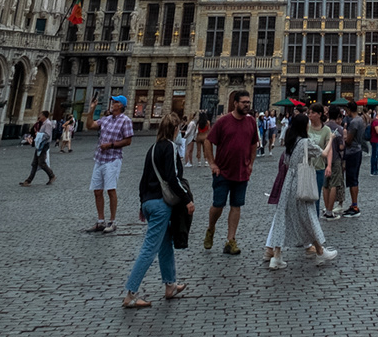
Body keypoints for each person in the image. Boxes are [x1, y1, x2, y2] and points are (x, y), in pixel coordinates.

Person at [122, 110, 193, 307]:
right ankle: (131, 293)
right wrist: (187, 199)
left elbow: (144, 179)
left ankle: (170, 284)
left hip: (149, 202)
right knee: (149, 248)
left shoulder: (152, 148)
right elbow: (173, 178)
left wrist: (141, 204)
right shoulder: (170, 147)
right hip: (161, 204)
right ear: (175, 129)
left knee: (165, 243)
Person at [264, 111, 336, 269]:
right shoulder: (305, 142)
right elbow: (324, 153)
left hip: (288, 184)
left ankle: (277, 256)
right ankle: (320, 251)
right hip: (300, 183)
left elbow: (287, 163)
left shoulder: (291, 142)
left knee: (284, 219)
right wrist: (331, 139)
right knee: (308, 216)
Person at [204, 88, 257, 254]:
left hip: (241, 172)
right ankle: (211, 228)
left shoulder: (251, 122)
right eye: (244, 102)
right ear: (235, 103)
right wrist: (212, 163)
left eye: (248, 102)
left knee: (236, 205)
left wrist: (251, 163)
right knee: (218, 205)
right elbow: (208, 141)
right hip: (223, 171)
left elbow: (254, 143)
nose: (247, 105)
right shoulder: (223, 121)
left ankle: (230, 240)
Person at [86, 96, 134, 235]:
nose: (113, 104)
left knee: (110, 190)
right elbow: (90, 126)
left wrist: (111, 145)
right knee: (97, 190)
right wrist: (91, 110)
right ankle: (100, 221)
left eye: (116, 102)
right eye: (113, 102)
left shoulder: (126, 121)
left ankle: (112, 221)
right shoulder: (106, 119)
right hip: (100, 158)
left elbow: (128, 141)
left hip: (113, 159)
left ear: (121, 105)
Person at [21, 114, 55, 186]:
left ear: (44, 116)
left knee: (41, 163)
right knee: (35, 163)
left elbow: (48, 135)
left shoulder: (48, 124)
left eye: (41, 115)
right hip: (39, 144)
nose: (39, 116)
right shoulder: (42, 124)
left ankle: (52, 175)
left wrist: (39, 135)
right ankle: (28, 181)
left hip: (43, 145)